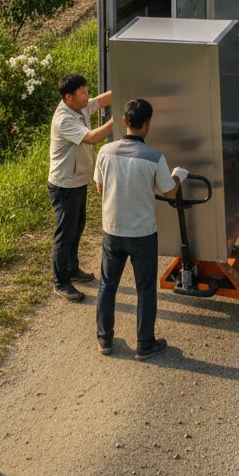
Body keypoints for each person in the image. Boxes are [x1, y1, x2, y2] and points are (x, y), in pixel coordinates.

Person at [94, 98, 188, 360]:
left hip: (112, 230)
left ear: (124, 122)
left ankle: (105, 339)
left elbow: (100, 188)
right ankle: (145, 344)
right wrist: (178, 176)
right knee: (145, 289)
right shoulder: (154, 157)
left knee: (107, 285)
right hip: (142, 234)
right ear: (148, 125)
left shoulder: (105, 152)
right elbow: (169, 193)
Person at [49, 73, 113, 302]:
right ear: (69, 97)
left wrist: (128, 89)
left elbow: (101, 100)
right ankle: (61, 282)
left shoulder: (80, 106)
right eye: (83, 92)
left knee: (77, 227)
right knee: (65, 234)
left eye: (87, 91)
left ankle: (72, 268)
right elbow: (93, 137)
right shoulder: (64, 119)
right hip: (64, 185)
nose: (88, 96)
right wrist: (119, 119)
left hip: (78, 181)